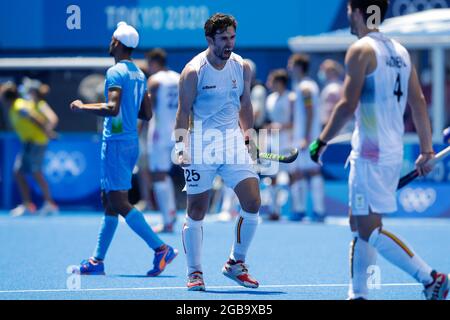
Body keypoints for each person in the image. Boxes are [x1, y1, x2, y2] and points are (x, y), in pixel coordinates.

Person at [309, 0, 449, 300]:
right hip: (391, 151)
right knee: (358, 222)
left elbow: (347, 105)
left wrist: (321, 142)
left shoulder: (360, 50)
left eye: (349, 10)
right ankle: (358, 293)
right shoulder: (400, 52)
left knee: (369, 228)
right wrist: (425, 150)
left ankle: (430, 278)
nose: (347, 15)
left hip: (369, 154)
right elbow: (419, 103)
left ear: (358, 12)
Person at [70, 21, 177, 276]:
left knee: (118, 200)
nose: (109, 43)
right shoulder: (140, 74)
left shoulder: (116, 72)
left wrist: (83, 107)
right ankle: (97, 261)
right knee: (110, 201)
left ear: (117, 43)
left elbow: (112, 108)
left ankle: (160, 248)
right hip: (129, 143)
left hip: (117, 143)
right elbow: (147, 114)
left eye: (111, 40)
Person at [174, 13, 261, 291]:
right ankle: (195, 272)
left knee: (253, 202)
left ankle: (236, 263)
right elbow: (182, 112)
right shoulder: (193, 71)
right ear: (210, 39)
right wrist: (181, 146)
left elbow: (245, 104)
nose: (229, 43)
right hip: (201, 143)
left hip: (232, 142)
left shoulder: (241, 66)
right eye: (223, 38)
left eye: (232, 37)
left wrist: (250, 136)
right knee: (198, 209)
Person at [0, 82, 59, 217]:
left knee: (36, 172)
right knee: (18, 172)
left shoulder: (20, 106)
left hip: (36, 142)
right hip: (28, 143)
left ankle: (50, 204)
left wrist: (47, 132)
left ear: (6, 97)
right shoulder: (14, 108)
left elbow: (35, 118)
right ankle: (27, 205)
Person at [145, 48, 180, 233]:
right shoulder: (178, 77)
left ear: (153, 62)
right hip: (179, 131)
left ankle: (168, 219)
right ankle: (173, 214)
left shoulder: (155, 80)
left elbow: (148, 109)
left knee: (159, 174)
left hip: (160, 132)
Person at [288, 54, 326, 222]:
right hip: (303, 136)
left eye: (291, 65)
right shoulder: (303, 86)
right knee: (298, 173)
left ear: (298, 67)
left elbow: (310, 113)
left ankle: (318, 211)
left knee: (312, 171)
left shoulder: (305, 88)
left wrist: (305, 137)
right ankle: (301, 210)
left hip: (307, 137)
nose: (289, 68)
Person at [263, 69, 295, 220]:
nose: (269, 83)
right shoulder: (270, 99)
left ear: (280, 82)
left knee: (292, 175)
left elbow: (295, 121)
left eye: (272, 80)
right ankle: (274, 211)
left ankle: (296, 209)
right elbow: (269, 121)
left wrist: (282, 127)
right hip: (273, 142)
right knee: (272, 175)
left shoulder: (291, 98)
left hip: (288, 141)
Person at [318, 59, 345, 128]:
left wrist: (325, 129)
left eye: (323, 70)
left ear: (331, 72)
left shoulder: (332, 89)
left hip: (332, 130)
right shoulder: (339, 85)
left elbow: (332, 111)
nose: (321, 73)